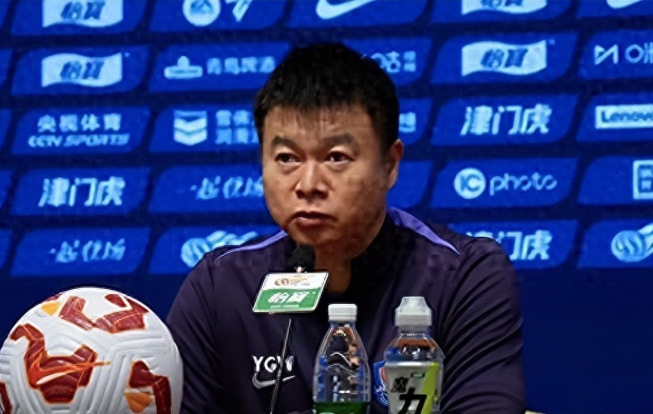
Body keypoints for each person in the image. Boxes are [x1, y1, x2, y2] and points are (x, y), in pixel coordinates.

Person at [166, 43, 525, 413]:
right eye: (287, 158)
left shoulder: (462, 275)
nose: (308, 184)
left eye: (335, 157)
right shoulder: (222, 286)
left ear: (390, 165)